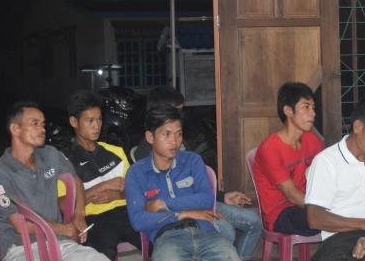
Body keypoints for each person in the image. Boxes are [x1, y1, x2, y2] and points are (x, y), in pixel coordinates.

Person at [135, 86, 261, 260]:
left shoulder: (183, 146)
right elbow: (152, 205)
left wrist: (221, 197)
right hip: (179, 214)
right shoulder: (146, 154)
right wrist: (197, 209)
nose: (181, 116)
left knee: (254, 220)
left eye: (181, 111)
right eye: (176, 111)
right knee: (226, 230)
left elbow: (196, 183)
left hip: (198, 203)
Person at [0, 101, 108, 261]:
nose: (42, 129)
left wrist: (79, 214)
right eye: (34, 123)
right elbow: (21, 225)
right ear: (15, 129)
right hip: (21, 248)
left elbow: (75, 180)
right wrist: (65, 229)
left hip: (60, 244)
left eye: (43, 124)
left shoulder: (50, 154)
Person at [125, 106, 241, 261]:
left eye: (179, 134)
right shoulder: (136, 173)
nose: (174, 141)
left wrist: (163, 204)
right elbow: (138, 220)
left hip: (205, 232)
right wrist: (181, 214)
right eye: (167, 134)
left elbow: (206, 198)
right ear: (150, 137)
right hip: (168, 238)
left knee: (231, 256)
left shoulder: (192, 160)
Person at [60, 90, 141, 259]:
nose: (97, 125)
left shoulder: (116, 152)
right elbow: (63, 206)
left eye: (99, 119)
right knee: (104, 251)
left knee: (157, 237)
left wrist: (117, 195)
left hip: (125, 212)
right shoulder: (65, 162)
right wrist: (101, 187)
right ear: (74, 122)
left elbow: (136, 191)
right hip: (94, 218)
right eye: (90, 120)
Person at [253, 82, 323, 236]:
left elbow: (325, 175)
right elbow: (291, 194)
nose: (313, 113)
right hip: (281, 213)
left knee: (348, 209)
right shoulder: (270, 148)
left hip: (307, 204)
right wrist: (325, 209)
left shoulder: (312, 140)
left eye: (313, 108)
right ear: (288, 111)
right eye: (306, 107)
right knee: (321, 219)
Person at [305, 101, 365, 261]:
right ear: (358, 127)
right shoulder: (327, 161)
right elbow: (314, 218)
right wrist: (362, 224)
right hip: (339, 238)